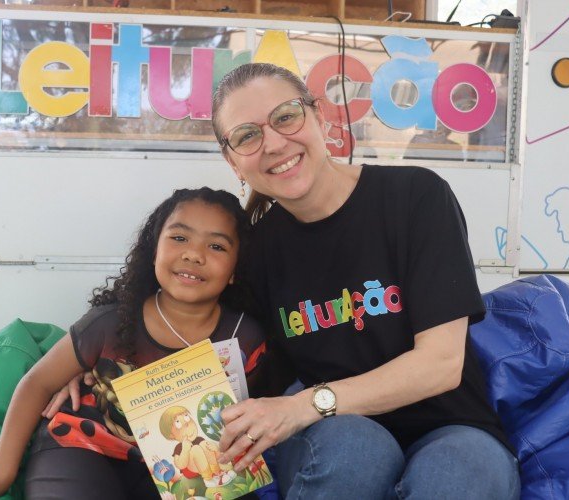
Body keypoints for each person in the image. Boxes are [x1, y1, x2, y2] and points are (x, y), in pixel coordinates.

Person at [209, 63, 520, 499]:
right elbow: (196, 326)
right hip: (335, 438)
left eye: (285, 116)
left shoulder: (416, 197)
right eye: (247, 135)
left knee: (459, 473)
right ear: (233, 161)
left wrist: (305, 405)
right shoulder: (256, 252)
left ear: (321, 117)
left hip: (453, 427)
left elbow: (440, 365)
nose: (274, 143)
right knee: (357, 451)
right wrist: (92, 365)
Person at [0, 188, 269, 500]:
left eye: (217, 247)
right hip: (83, 444)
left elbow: (245, 413)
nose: (194, 254)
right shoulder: (109, 322)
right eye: (179, 238)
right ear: (154, 249)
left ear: (235, 270)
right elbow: (37, 383)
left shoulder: (246, 337)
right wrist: (2, 466)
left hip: (177, 465)